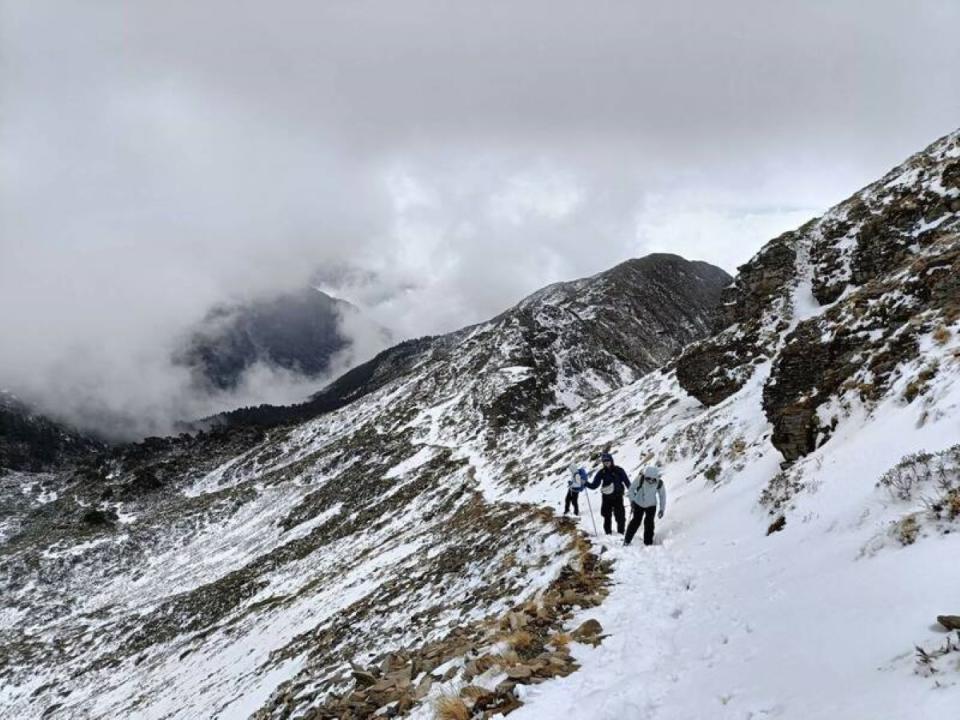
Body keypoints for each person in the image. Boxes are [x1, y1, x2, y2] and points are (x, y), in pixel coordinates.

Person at [586, 452, 630, 534]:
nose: (606, 463)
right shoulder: (601, 472)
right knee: (606, 516)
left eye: (608, 461)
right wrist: (585, 483)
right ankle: (608, 533)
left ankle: (621, 533)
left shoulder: (619, 470)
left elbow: (627, 482)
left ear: (611, 461)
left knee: (620, 516)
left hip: (618, 497)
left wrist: (632, 493)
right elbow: (594, 485)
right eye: (604, 461)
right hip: (606, 498)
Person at [625, 465, 666, 546]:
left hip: (651, 505)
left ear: (656, 478)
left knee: (649, 523)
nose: (650, 481)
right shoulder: (640, 479)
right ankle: (627, 540)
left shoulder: (659, 483)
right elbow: (631, 489)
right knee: (636, 521)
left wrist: (662, 509)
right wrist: (632, 501)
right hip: (638, 503)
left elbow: (662, 496)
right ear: (645, 476)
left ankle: (648, 542)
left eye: (653, 479)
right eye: (648, 478)